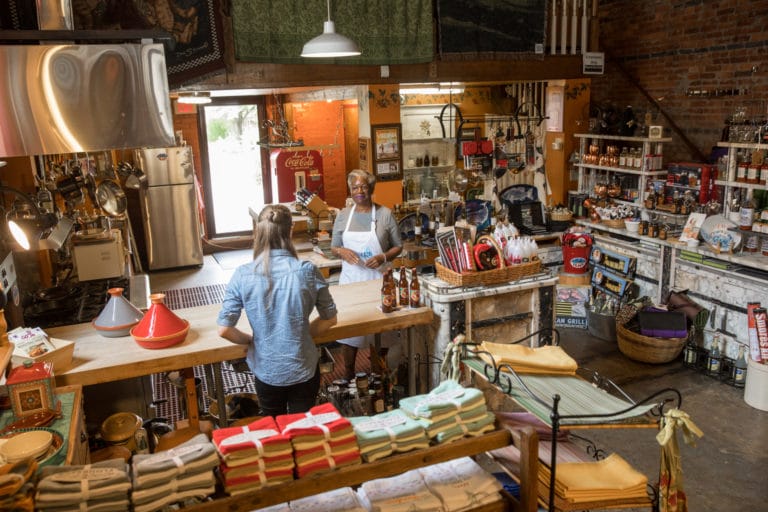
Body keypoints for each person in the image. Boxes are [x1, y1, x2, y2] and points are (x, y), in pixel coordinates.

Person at [217, 204, 338, 417]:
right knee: (303, 431)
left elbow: (224, 329)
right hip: (303, 368)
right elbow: (330, 319)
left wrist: (251, 340)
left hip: (267, 371)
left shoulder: (242, 274)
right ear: (290, 231)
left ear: (258, 232)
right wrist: (299, 333)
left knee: (275, 431)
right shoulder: (307, 270)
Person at [331, 169, 403, 379]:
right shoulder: (343, 216)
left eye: (363, 187)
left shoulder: (384, 214)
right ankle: (349, 372)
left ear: (371, 189)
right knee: (350, 333)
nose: (359, 191)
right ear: (350, 190)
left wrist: (382, 257)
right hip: (351, 282)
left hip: (378, 281)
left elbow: (399, 246)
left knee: (382, 331)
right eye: (355, 187)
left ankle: (378, 369)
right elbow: (334, 247)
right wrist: (342, 252)